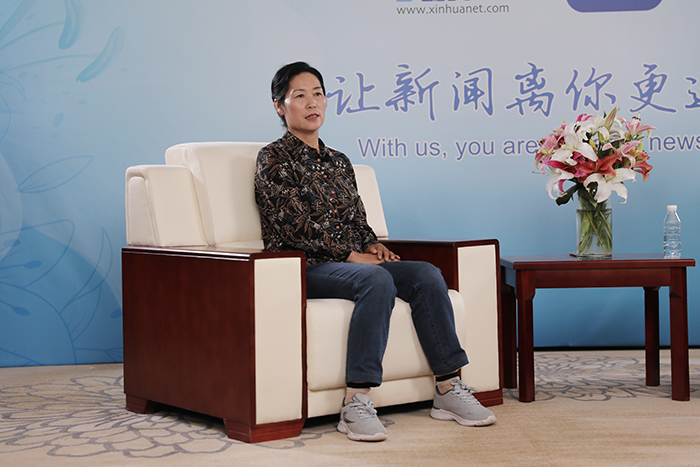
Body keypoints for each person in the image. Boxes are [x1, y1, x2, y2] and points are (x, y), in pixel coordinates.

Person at [254, 61, 496, 442]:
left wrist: (371, 243)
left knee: (426, 274)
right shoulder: (273, 159)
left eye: (318, 94)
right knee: (376, 279)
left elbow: (357, 219)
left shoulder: (339, 162)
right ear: (279, 106)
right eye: (299, 96)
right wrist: (352, 256)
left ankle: (448, 388)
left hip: (354, 263)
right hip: (302, 266)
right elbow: (292, 225)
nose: (312, 103)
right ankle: (356, 401)